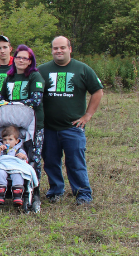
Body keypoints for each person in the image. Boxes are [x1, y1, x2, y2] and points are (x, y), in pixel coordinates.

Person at [38, 36, 103, 205]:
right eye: (55, 48)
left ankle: (83, 194)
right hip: (49, 127)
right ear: (51, 50)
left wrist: (87, 115)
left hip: (72, 127)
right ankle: (55, 191)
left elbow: (97, 91)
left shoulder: (82, 69)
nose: (58, 51)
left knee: (75, 162)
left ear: (70, 49)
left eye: (62, 48)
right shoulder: (42, 71)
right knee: (51, 162)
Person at [0, 44, 45, 210]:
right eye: (19, 57)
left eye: (26, 58)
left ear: (30, 61)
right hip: (11, 124)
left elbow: (35, 100)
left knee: (33, 157)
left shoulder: (34, 77)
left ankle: (35, 191)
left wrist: (11, 103)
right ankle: (9, 187)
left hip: (32, 124)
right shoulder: (9, 78)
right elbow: (2, 98)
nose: (21, 60)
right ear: (14, 59)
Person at [0, 126, 30, 206]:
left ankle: (17, 194)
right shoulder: (1, 149)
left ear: (16, 141)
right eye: (5, 140)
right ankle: (0, 193)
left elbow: (25, 162)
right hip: (3, 166)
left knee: (18, 174)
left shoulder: (19, 150)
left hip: (15, 168)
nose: (7, 142)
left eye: (10, 139)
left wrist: (23, 157)